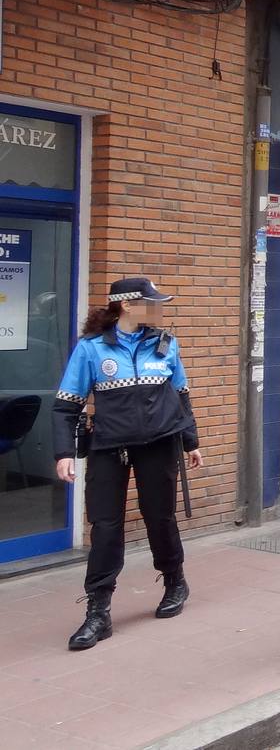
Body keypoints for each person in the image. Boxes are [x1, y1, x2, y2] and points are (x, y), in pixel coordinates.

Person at [52, 277, 202, 650]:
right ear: (128, 306)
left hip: (159, 444)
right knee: (105, 526)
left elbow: (181, 395)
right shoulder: (90, 349)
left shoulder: (166, 345)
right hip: (109, 446)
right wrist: (64, 453)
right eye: (152, 303)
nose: (159, 309)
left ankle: (174, 581)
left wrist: (191, 442)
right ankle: (98, 611)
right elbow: (67, 404)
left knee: (159, 516)